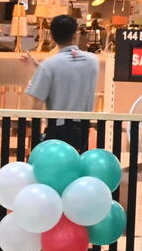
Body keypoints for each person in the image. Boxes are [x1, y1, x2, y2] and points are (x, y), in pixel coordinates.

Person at [27, 14, 100, 149]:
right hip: (82, 132)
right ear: (76, 35)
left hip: (56, 132)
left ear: (52, 37)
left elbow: (36, 106)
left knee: (56, 162)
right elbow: (69, 70)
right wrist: (40, 67)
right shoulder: (92, 61)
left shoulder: (48, 66)